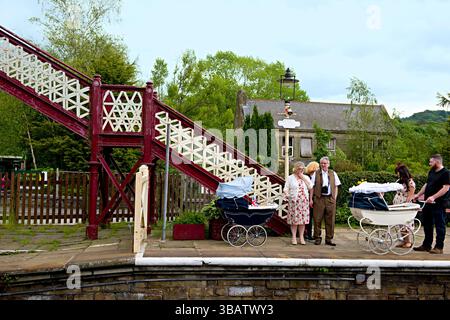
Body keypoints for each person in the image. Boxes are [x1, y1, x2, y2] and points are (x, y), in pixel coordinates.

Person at [413, 154, 450, 254]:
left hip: (439, 203)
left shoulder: (446, 173)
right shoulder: (432, 171)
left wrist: (434, 197)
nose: (429, 164)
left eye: (431, 162)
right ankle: (426, 245)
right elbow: (427, 184)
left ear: (437, 162)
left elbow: (446, 188)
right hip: (428, 203)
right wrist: (418, 194)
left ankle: (439, 247)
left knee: (439, 225)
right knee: (427, 224)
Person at [309, 156, 341, 246]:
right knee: (317, 219)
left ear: (328, 164)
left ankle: (329, 239)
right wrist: (311, 199)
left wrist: (334, 198)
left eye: (325, 163)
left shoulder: (333, 173)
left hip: (330, 199)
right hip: (319, 198)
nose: (323, 165)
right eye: (322, 163)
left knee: (330, 220)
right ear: (320, 164)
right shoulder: (316, 173)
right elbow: (312, 187)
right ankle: (317, 238)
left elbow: (336, 186)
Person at [283, 161, 313, 245]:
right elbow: (285, 189)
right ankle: (293, 237)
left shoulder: (306, 177)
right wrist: (288, 195)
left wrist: (302, 177)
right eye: (299, 169)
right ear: (295, 169)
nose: (301, 170)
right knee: (294, 221)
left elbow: (310, 187)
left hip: (304, 202)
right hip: (294, 202)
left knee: (302, 221)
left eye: (302, 169)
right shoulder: (290, 178)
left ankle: (301, 237)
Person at [393, 163, 416, 248]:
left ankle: (408, 242)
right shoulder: (399, 181)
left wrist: (405, 205)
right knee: (399, 223)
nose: (397, 174)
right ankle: (403, 241)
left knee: (405, 223)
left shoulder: (410, 182)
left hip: (404, 204)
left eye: (398, 172)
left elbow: (410, 196)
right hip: (397, 203)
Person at [304, 161, 320, 241]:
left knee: (315, 217)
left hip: (315, 198)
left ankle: (313, 234)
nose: (319, 169)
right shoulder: (307, 177)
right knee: (308, 217)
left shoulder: (317, 176)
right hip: (308, 198)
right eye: (317, 167)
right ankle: (308, 234)